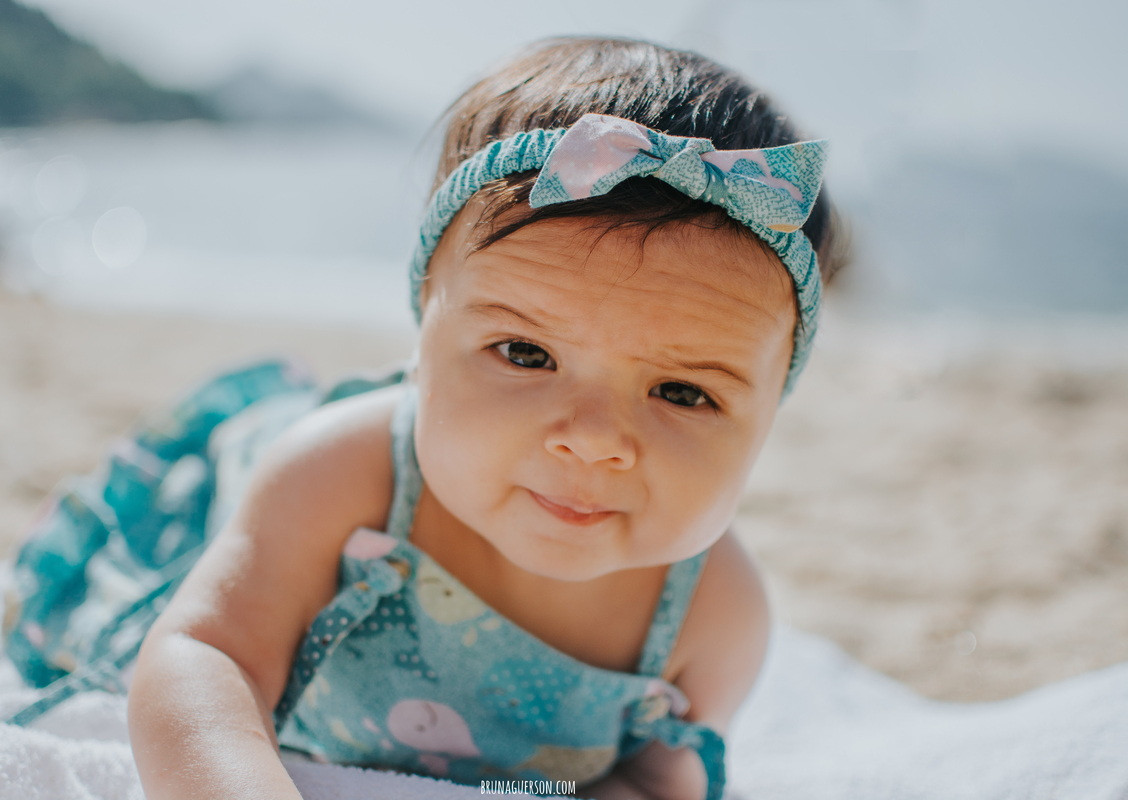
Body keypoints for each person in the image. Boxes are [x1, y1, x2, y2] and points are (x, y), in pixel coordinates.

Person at [124, 36, 844, 800]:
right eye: (526, 355)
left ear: (770, 414)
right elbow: (209, 653)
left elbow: (658, 777)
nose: (594, 441)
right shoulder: (340, 478)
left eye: (683, 393)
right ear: (424, 336)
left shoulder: (713, 614)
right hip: (231, 513)